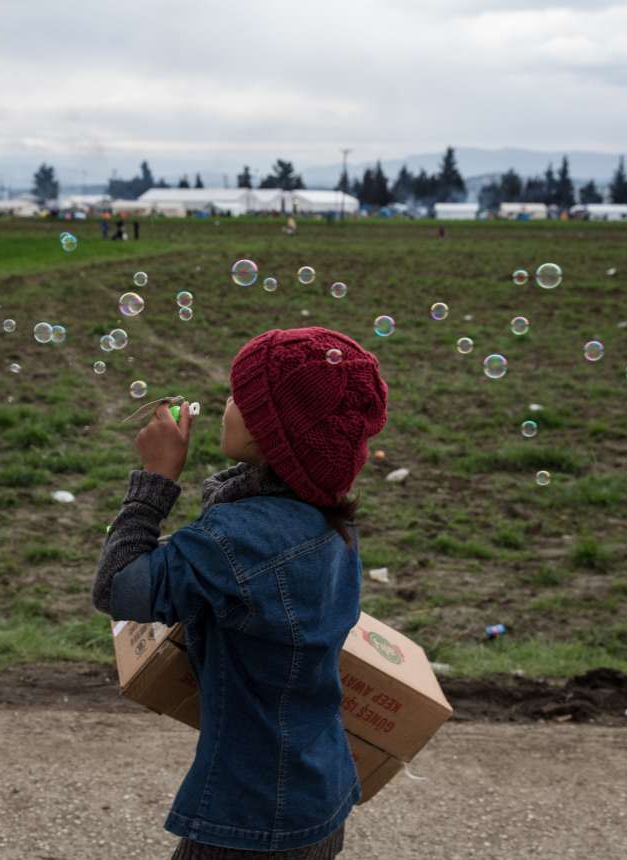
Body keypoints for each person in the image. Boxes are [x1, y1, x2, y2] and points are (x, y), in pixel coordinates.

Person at [93, 327, 388, 859]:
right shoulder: (325, 517)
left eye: (239, 398)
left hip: (254, 819)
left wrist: (156, 479)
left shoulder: (240, 539)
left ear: (267, 434)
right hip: (319, 795)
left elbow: (120, 588)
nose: (226, 405)